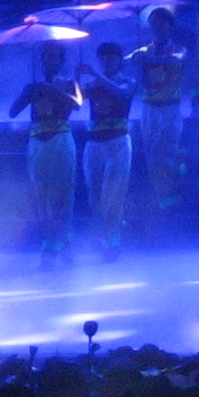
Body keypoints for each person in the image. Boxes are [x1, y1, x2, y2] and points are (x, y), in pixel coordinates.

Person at [10, 41, 82, 267]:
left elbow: (77, 105)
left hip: (60, 139)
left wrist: (51, 89)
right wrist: (28, 93)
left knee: (61, 195)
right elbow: (13, 111)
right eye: (45, 57)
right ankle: (65, 242)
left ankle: (50, 248)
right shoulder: (34, 87)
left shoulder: (69, 83)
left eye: (53, 57)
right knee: (42, 197)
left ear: (61, 61)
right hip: (37, 142)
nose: (49, 62)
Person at [78, 42, 138, 256]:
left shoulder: (128, 81)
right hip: (94, 143)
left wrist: (95, 75)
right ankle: (106, 234)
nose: (107, 61)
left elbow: (121, 94)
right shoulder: (94, 84)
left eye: (111, 57)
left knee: (112, 194)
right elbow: (75, 101)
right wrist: (76, 77)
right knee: (95, 195)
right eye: (103, 57)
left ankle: (112, 241)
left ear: (119, 60)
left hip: (118, 142)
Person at [129, 7, 186, 204]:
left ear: (169, 27)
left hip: (170, 107)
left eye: (161, 24)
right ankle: (163, 195)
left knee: (168, 149)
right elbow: (126, 60)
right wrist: (135, 57)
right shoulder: (144, 50)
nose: (157, 28)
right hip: (149, 108)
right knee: (152, 153)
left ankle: (172, 190)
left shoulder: (177, 49)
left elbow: (177, 61)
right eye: (153, 24)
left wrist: (151, 59)